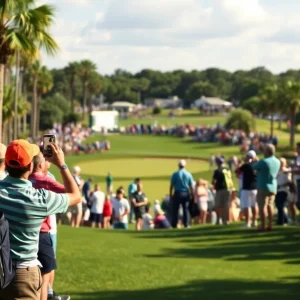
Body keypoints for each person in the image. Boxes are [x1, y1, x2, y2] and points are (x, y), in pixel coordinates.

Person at [0, 140, 81, 300]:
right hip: (23, 275)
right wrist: (62, 165)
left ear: (6, 165)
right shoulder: (39, 199)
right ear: (30, 167)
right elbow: (76, 196)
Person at [29, 152, 69, 300]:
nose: (48, 162)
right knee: (44, 280)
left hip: (28, 232)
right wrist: (62, 165)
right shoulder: (44, 180)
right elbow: (72, 192)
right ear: (40, 165)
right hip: (42, 233)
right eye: (46, 160)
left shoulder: (24, 179)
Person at [252, 144, 280, 231]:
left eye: (264, 150)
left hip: (263, 186)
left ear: (267, 151)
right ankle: (270, 225)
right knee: (270, 206)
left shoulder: (264, 161)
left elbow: (253, 167)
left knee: (262, 207)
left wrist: (255, 161)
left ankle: (263, 226)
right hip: (273, 186)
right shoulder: (277, 161)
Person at [169, 159, 194, 228]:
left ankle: (174, 224)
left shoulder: (175, 174)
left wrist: (170, 194)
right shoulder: (188, 174)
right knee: (185, 209)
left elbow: (171, 185)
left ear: (178, 165)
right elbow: (191, 185)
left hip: (177, 193)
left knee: (175, 209)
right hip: (186, 193)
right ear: (184, 165)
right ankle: (186, 224)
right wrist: (192, 194)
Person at [238, 150, 258, 228]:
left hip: (246, 188)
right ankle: (254, 221)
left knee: (247, 206)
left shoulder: (246, 165)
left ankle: (247, 222)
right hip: (255, 187)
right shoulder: (257, 164)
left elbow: (237, 171)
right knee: (254, 205)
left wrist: (241, 163)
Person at [212, 157, 234, 225]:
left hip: (220, 189)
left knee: (218, 205)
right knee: (226, 206)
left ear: (217, 163)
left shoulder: (217, 170)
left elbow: (213, 181)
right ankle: (226, 220)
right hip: (228, 189)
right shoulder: (228, 169)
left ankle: (219, 220)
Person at [275, 158, 291, 226]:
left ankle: (281, 221)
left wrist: (280, 186)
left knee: (280, 204)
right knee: (278, 205)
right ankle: (285, 219)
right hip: (277, 190)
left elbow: (289, 182)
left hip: (283, 190)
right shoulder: (277, 171)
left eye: (282, 162)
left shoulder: (286, 171)